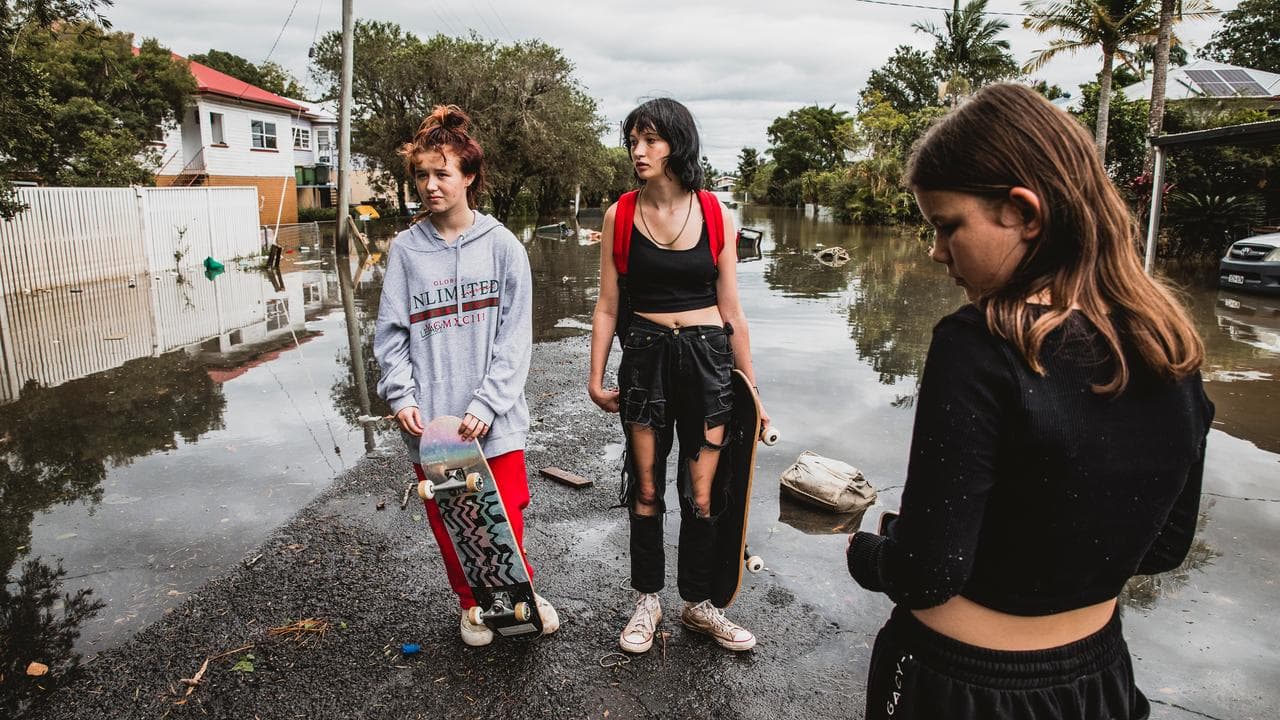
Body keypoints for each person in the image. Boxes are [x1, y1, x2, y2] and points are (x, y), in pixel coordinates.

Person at [845, 83, 1214, 719]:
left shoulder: (978, 345)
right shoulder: (1167, 341)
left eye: (947, 225)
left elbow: (927, 573)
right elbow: (1163, 547)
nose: (936, 252)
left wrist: (869, 552)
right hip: (1097, 680)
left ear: (1025, 212)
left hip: (967, 686)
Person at [588, 98, 769, 654]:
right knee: (645, 488)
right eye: (633, 141)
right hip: (644, 360)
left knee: (702, 493)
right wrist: (595, 379)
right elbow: (606, 307)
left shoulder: (717, 214)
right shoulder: (621, 214)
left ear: (677, 144)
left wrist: (752, 392)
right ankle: (648, 600)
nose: (638, 151)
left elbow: (733, 312)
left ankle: (697, 603)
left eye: (650, 140)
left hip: (709, 363)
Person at [374, 105, 558, 647]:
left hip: (491, 421)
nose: (429, 186)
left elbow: (514, 338)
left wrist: (485, 405)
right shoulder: (406, 251)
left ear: (469, 177)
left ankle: (516, 593)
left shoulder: (503, 246)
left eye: (441, 174)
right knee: (452, 521)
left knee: (505, 513)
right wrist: (401, 396)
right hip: (432, 426)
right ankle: (472, 605)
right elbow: (390, 335)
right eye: (421, 176)